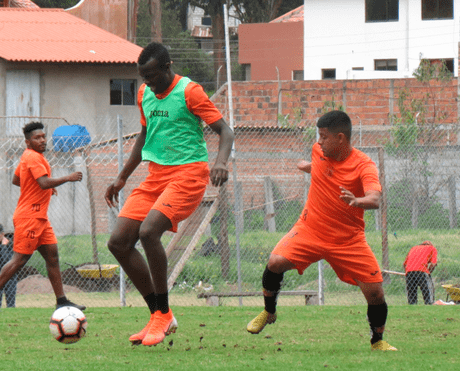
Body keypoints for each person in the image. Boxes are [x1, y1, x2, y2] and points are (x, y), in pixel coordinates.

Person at [105, 42, 234, 347]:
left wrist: (220, 163)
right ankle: (159, 315)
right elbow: (145, 135)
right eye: (142, 77)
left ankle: (162, 313)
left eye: (151, 76)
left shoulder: (190, 92)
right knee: (118, 242)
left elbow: (225, 131)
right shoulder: (144, 94)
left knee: (149, 231)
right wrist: (122, 176)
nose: (147, 83)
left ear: (167, 67)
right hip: (155, 177)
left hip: (188, 174)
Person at [246, 110, 397, 351]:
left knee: (376, 293)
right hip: (310, 230)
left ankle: (377, 341)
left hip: (348, 240)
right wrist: (305, 166)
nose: (318, 142)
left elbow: (375, 198)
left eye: (323, 137)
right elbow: (318, 167)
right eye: (318, 136)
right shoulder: (319, 152)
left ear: (340, 138)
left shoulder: (364, 165)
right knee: (275, 262)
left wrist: (357, 201)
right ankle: (269, 311)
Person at [0, 121, 86, 312]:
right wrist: (66, 178)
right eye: (37, 138)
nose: (42, 140)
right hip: (29, 217)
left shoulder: (29, 156)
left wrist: (38, 186)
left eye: (43, 136)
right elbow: (44, 182)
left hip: (40, 218)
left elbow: (16, 180)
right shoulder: (32, 157)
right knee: (19, 260)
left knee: (53, 257)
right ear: (28, 142)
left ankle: (61, 301)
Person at [403, 241, 438, 305]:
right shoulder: (432, 248)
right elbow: (433, 264)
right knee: (428, 296)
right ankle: (429, 305)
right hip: (422, 271)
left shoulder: (413, 248)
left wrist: (407, 272)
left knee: (412, 296)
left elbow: (405, 264)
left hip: (409, 271)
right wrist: (428, 272)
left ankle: (412, 307)